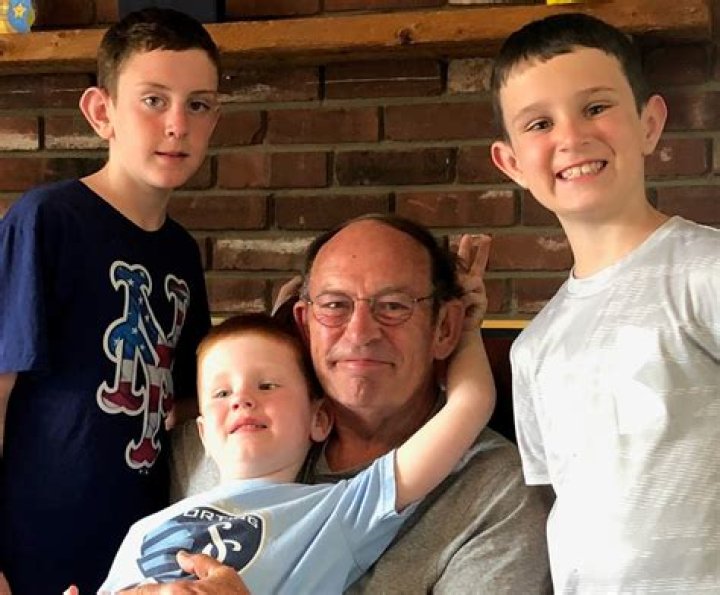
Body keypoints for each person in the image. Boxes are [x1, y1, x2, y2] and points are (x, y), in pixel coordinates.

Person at [124, 214, 553, 595]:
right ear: (305, 325)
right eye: (334, 306)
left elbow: (472, 401)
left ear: (444, 328)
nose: (360, 333)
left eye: (393, 306)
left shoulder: (493, 490)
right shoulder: (218, 438)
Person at [489, 12, 720, 593]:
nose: (571, 137)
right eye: (540, 123)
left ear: (649, 124)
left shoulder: (707, 273)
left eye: (595, 107)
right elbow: (564, 505)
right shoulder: (533, 349)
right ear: (512, 163)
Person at [0, 8, 220, 594]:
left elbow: (185, 401)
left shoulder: (181, 252)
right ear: (102, 112)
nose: (177, 124)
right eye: (153, 100)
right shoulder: (47, 220)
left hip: (138, 557)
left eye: (198, 104)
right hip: (34, 553)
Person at [99, 301, 495, 592]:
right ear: (203, 434)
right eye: (221, 392)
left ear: (318, 420)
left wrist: (468, 326)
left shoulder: (335, 513)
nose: (241, 399)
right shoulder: (144, 529)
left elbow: (470, 404)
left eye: (267, 385)